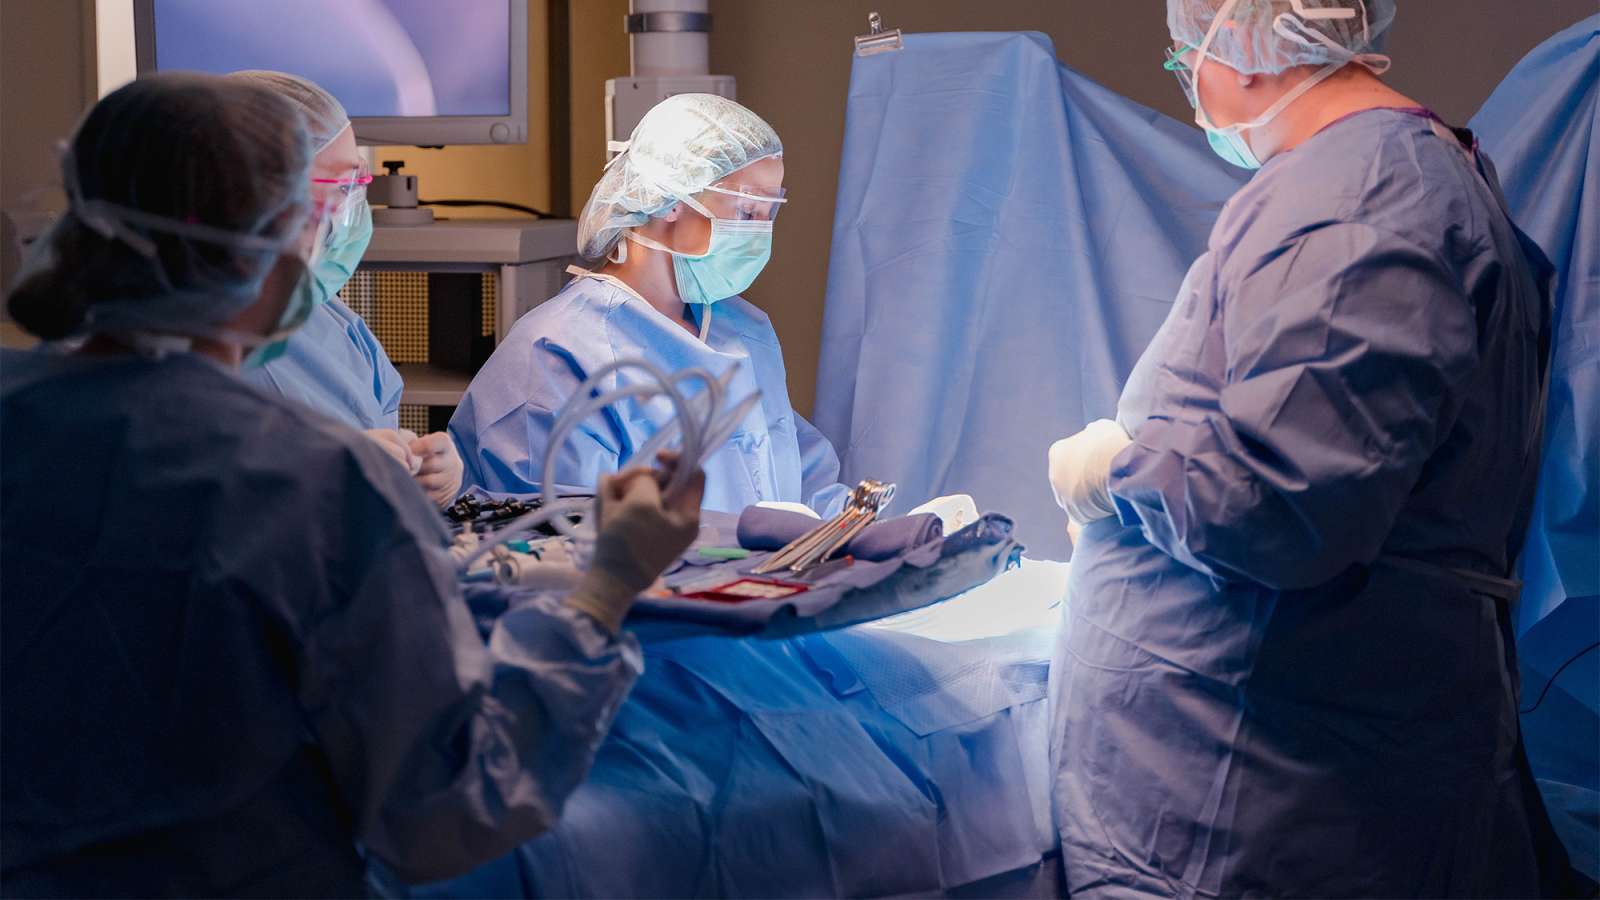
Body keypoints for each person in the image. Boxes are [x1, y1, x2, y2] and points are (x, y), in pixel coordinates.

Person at [0, 72, 704, 897]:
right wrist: (606, 588)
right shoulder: (306, 484)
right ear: (267, 245)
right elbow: (447, 813)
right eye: (324, 211)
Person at [1044, 0, 1577, 896]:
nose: (1189, 85)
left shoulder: (1364, 198)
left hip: (1260, 788)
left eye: (1187, 59)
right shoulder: (1398, 174)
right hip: (1293, 755)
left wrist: (1116, 472)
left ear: (1248, 50)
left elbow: (1282, 502)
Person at [450, 93, 849, 515]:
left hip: (763, 578)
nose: (760, 234)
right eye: (747, 212)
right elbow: (558, 537)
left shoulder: (741, 331)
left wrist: (871, 528)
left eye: (771, 213)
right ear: (672, 198)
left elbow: (799, 480)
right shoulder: (557, 354)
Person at [228, 70, 464, 509]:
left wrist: (426, 473)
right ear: (259, 193)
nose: (347, 212)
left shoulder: (329, 319)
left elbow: (378, 430)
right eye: (338, 187)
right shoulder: (185, 341)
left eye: (356, 185)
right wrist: (330, 472)